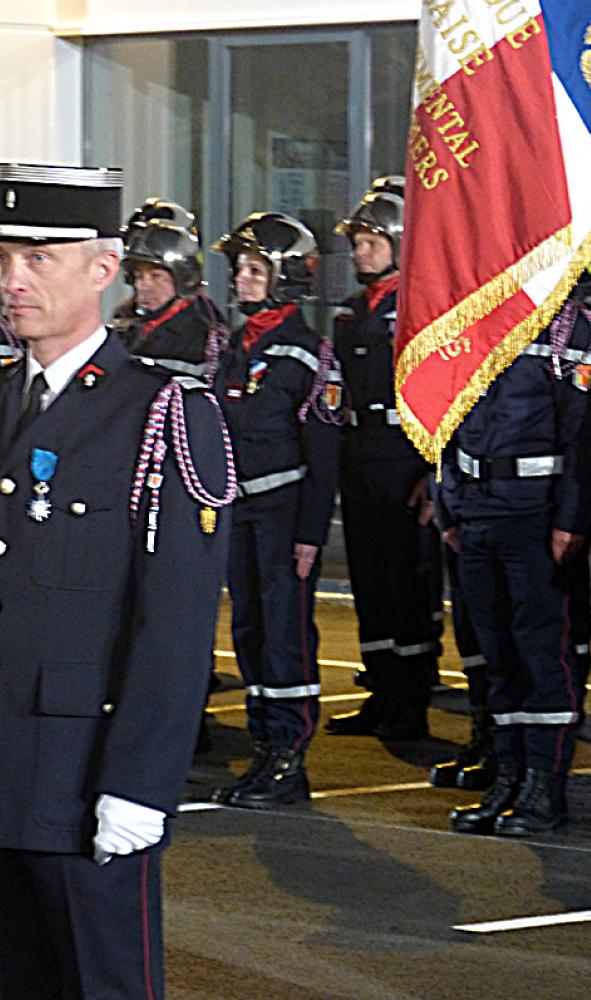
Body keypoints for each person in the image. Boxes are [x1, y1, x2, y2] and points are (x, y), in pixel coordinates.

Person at [0, 163, 234, 997]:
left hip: (79, 781)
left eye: (37, 258)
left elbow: (172, 625)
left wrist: (138, 786)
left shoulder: (163, 413)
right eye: (3, 258)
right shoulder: (6, 399)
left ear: (103, 271)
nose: (11, 281)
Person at [439, 291, 591, 837]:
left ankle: (544, 785)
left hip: (535, 515)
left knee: (542, 654)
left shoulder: (573, 332)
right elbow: (444, 415)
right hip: (476, 510)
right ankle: (510, 774)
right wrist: (448, 501)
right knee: (499, 657)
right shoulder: (473, 324)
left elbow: (589, 436)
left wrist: (572, 519)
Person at [210, 211, 340, 808]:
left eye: (255, 269)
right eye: (240, 268)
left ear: (287, 276)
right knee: (250, 633)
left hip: (285, 517)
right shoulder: (235, 344)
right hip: (241, 514)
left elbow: (324, 448)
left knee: (287, 636)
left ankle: (291, 758)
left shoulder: (308, 353)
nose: (241, 279)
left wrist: (311, 533)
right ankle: (264, 750)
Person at [324, 177, 442, 741]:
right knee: (369, 582)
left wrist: (431, 469)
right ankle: (381, 691)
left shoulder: (421, 304)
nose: (359, 251)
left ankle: (411, 701)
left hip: (404, 454)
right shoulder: (349, 312)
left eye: (370, 241)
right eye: (356, 242)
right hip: (360, 450)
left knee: (406, 582)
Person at [115, 218, 229, 380]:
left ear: (182, 279)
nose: (142, 286)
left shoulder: (200, 333)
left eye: (155, 276)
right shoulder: (125, 323)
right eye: (138, 276)